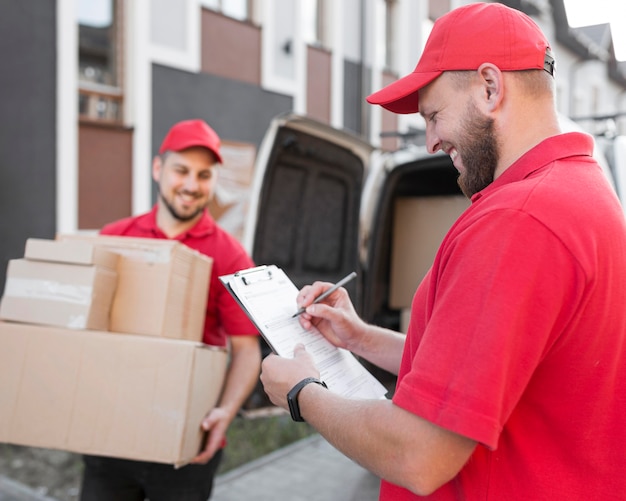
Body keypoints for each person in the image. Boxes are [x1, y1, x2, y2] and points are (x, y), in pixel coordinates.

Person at [260, 3, 626, 500]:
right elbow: (482, 372)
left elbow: (420, 454)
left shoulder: (518, 221)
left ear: (490, 87)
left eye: (434, 114)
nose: (431, 140)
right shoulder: (580, 191)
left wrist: (303, 394)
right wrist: (362, 339)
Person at [79, 119, 262, 501]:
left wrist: (225, 412)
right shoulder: (115, 238)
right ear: (158, 169)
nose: (192, 186)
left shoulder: (229, 255)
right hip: (111, 432)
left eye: (204, 175)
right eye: (182, 170)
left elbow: (247, 350)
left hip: (186, 436)